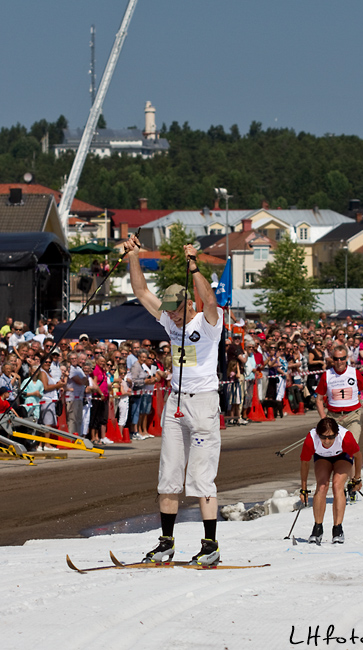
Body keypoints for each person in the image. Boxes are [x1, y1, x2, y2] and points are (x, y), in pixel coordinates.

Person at [124, 234, 223, 566]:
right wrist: (133, 256)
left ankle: (210, 545)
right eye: (170, 312)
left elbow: (209, 300)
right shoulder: (169, 321)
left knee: (201, 476)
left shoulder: (207, 323)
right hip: (175, 403)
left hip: (204, 404)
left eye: (177, 310)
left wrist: (194, 266)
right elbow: (141, 292)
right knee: (168, 475)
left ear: (188, 304)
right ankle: (166, 543)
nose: (173, 317)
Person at [300, 417, 362, 544]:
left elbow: (358, 456)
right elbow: (304, 463)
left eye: (331, 437)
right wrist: (304, 489)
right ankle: (317, 528)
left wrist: (357, 478)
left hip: (342, 456)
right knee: (322, 485)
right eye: (323, 437)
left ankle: (337, 529)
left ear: (336, 434)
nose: (327, 441)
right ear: (318, 434)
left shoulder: (346, 437)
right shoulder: (311, 439)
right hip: (322, 457)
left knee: (337, 485)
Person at [315, 344, 363, 444]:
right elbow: (319, 399)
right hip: (333, 417)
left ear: (346, 358)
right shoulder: (327, 375)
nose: (339, 362)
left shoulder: (354, 373)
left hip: (352, 416)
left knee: (350, 445)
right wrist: (324, 418)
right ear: (332, 359)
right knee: (333, 448)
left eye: (342, 358)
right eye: (336, 359)